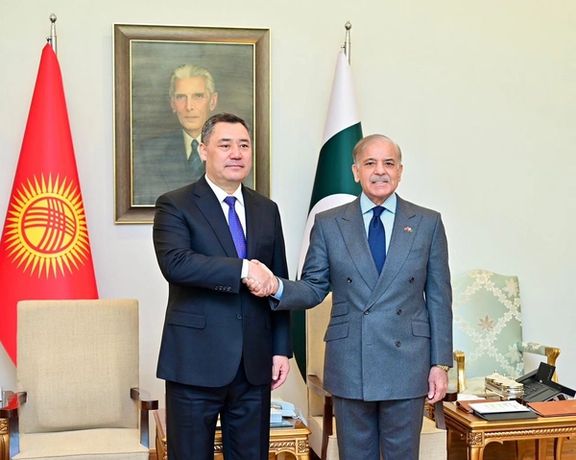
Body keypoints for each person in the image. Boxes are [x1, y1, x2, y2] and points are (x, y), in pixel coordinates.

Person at [246, 134, 453, 460]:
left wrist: (439, 364)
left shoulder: (428, 223)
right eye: (370, 163)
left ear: (400, 171)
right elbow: (314, 287)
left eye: (388, 163)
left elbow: (440, 299)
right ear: (356, 171)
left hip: (408, 362)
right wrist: (276, 286)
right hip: (351, 360)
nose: (380, 171)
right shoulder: (330, 224)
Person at [153, 112, 291, 460]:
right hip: (194, 361)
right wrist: (243, 269)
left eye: (244, 145)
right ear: (204, 150)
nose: (236, 154)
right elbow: (176, 264)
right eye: (225, 145)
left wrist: (280, 349)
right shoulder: (175, 204)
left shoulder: (266, 209)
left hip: (254, 364)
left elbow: (277, 282)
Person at [134, 64, 218, 205]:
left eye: (198, 96)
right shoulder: (149, 153)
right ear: (173, 103)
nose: (189, 106)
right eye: (181, 97)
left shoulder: (234, 151)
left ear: (212, 101)